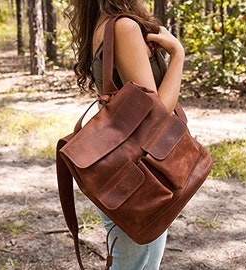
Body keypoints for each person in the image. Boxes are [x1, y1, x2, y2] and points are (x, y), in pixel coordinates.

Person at [65, 0, 185, 269]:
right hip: (137, 177)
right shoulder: (124, 27)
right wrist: (177, 55)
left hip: (122, 170)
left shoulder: (104, 25)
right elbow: (156, 116)